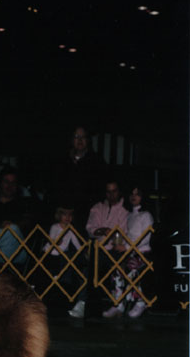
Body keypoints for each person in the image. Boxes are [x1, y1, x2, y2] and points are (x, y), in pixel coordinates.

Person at [68, 179, 128, 318]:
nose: (111, 195)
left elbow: (124, 232)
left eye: (114, 191)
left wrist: (109, 234)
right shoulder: (97, 207)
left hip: (115, 249)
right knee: (82, 262)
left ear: (119, 192)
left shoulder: (125, 210)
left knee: (117, 263)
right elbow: (90, 228)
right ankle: (82, 302)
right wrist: (103, 230)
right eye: (108, 191)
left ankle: (118, 303)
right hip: (96, 248)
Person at [102, 185, 154, 318]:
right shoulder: (130, 215)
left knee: (132, 267)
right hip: (130, 251)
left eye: (137, 194)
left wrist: (127, 247)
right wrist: (120, 244)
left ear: (143, 197)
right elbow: (128, 236)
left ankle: (140, 302)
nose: (134, 196)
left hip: (143, 252)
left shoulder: (146, 215)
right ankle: (118, 303)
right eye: (132, 194)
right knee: (116, 269)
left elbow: (145, 238)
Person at [52, 126, 106, 234]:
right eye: (77, 136)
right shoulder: (62, 160)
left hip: (86, 213)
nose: (80, 140)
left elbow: (100, 189)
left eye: (83, 137)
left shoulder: (97, 161)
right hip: (65, 213)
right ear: (72, 140)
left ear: (88, 140)